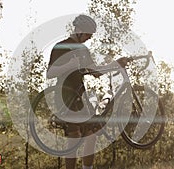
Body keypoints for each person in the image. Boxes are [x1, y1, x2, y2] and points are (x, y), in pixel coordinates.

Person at [47, 14, 128, 169]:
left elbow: (95, 72)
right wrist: (69, 66)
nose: (90, 38)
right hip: (65, 94)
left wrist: (115, 64)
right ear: (79, 30)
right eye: (88, 34)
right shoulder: (61, 46)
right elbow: (50, 73)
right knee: (74, 137)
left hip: (80, 94)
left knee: (92, 134)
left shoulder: (83, 49)